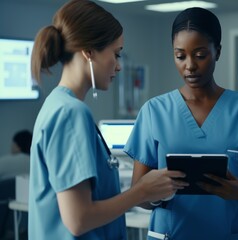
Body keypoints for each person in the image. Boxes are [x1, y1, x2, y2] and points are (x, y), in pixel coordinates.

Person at [28, 1, 187, 239]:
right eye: (116, 54)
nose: (119, 66)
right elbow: (78, 220)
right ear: (89, 52)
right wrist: (142, 191)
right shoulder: (71, 113)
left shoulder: (56, 105)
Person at [124, 7, 238, 240]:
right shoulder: (154, 111)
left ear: (217, 51)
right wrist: (158, 194)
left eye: (199, 55)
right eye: (180, 56)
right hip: (171, 233)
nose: (190, 65)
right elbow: (138, 193)